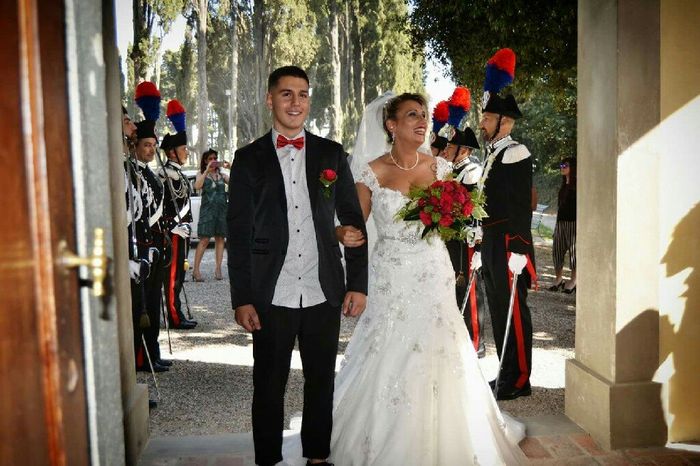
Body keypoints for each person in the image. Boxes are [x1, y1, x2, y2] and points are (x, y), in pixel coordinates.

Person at [327, 92, 526, 465]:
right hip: (390, 276)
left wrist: (456, 218)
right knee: (386, 348)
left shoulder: (441, 168)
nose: (422, 121)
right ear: (391, 125)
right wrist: (342, 234)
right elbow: (354, 225)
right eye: (412, 115)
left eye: (423, 115)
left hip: (433, 271)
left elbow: (455, 220)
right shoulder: (370, 172)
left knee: (440, 346)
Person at [228, 65, 368, 466]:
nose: (295, 102)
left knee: (321, 381)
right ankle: (268, 460)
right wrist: (242, 298)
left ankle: (318, 458)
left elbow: (352, 220)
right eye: (286, 94)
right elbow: (238, 232)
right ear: (270, 99)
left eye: (303, 94)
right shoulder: (247, 159)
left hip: (323, 289)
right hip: (271, 291)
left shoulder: (330, 154)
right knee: (268, 385)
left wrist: (357, 283)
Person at [478, 48, 537, 401]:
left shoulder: (516, 152)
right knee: (499, 308)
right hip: (491, 239)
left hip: (507, 242)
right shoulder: (494, 154)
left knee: (514, 311)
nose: (482, 124)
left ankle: (519, 379)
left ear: (504, 121)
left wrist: (518, 248)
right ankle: (505, 371)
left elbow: (520, 207)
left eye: (487, 118)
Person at [130, 81, 170, 374]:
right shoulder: (131, 172)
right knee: (142, 304)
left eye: (154, 146)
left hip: (157, 246)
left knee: (154, 302)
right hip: (143, 247)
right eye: (147, 145)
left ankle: (152, 352)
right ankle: (142, 357)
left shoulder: (152, 175)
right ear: (135, 146)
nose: (151, 150)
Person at [441, 127, 488, 358]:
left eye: (451, 146)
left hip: (467, 239)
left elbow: (475, 208)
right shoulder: (451, 170)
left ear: (464, 151)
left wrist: (478, 243)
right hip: (452, 237)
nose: (447, 149)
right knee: (454, 287)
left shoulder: (472, 172)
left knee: (470, 289)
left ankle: (475, 341)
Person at [158, 99, 198, 330]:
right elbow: (160, 207)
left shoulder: (179, 175)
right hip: (172, 233)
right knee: (172, 276)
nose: (186, 153)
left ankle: (178, 312)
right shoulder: (166, 176)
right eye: (183, 149)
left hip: (182, 231)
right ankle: (174, 316)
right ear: (172, 153)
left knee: (179, 275)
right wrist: (172, 226)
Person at [192, 148, 230, 281]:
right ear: (205, 161)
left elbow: (236, 182)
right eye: (210, 159)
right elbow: (197, 186)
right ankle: (196, 270)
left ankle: (218, 269)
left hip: (221, 211)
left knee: (220, 239)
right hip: (207, 212)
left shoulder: (222, 175)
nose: (213, 161)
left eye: (215, 158)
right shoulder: (201, 173)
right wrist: (207, 170)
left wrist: (231, 167)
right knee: (204, 240)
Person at [549, 157, 577, 293]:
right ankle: (558, 278)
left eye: (565, 165)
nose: (562, 167)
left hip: (574, 223)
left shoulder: (578, 185)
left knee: (574, 253)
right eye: (561, 165)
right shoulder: (563, 185)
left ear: (573, 167)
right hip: (561, 223)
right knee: (557, 250)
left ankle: (573, 280)